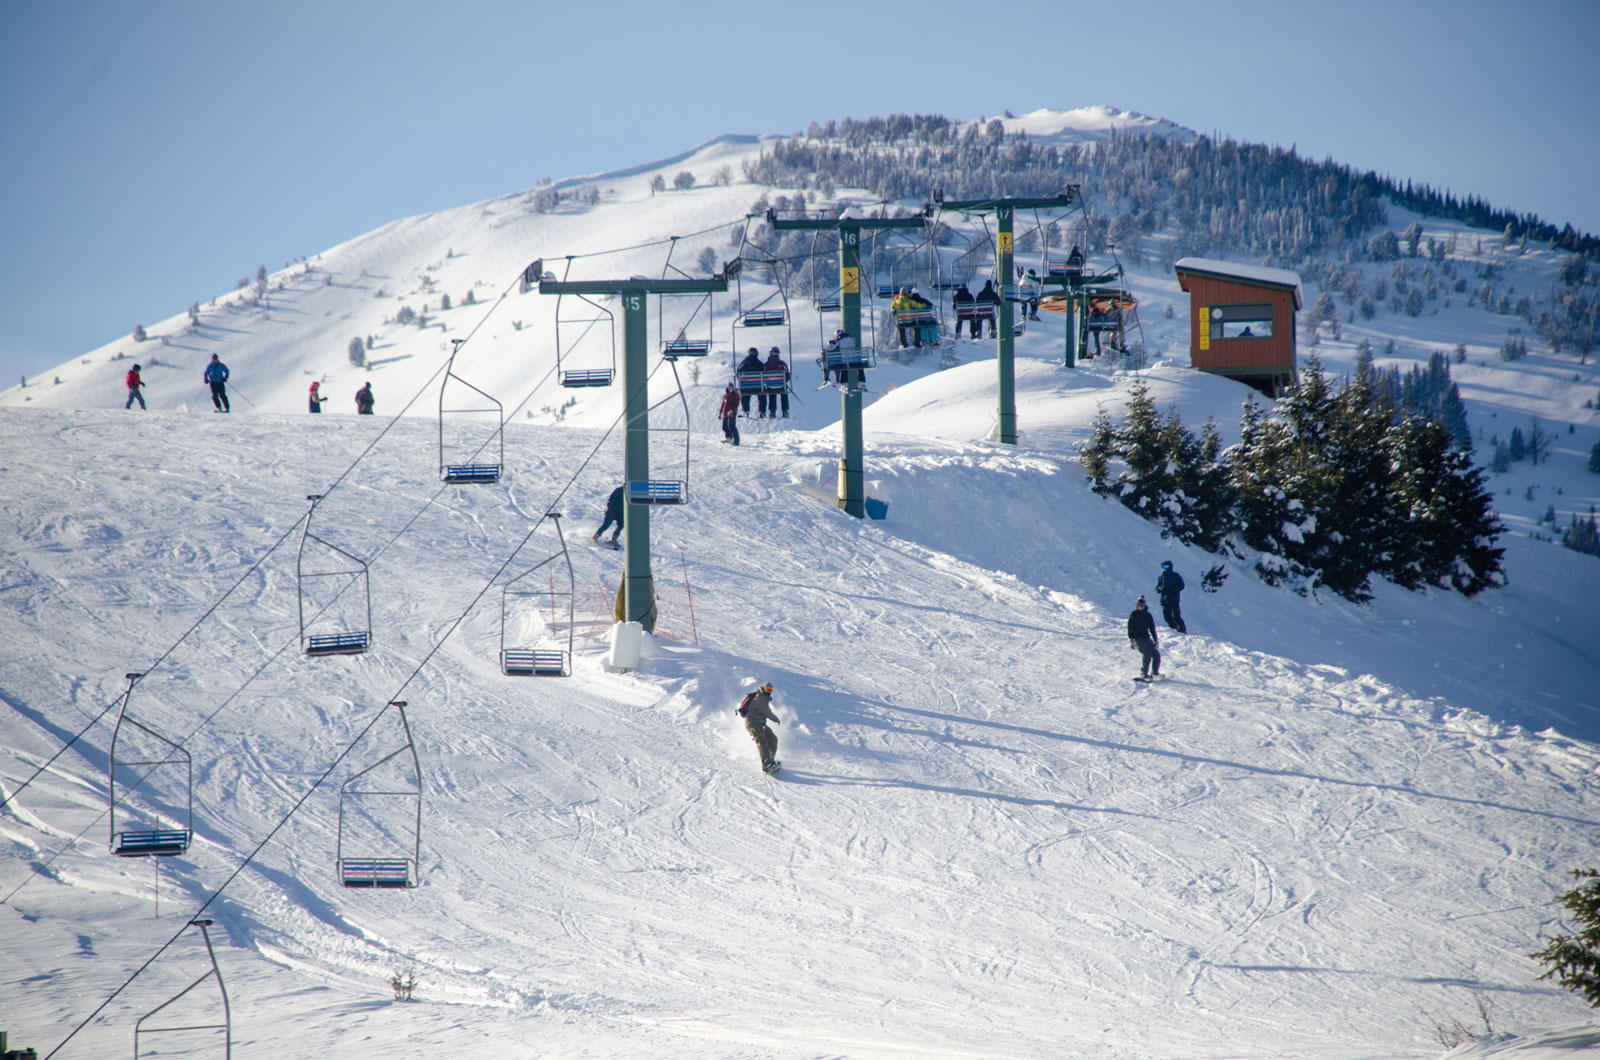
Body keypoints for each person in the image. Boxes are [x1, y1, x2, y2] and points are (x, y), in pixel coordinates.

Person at [735, 682, 781, 773]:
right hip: (754, 724)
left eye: (771, 690)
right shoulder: (760, 698)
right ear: (763, 689)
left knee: (773, 739)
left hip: (760, 724)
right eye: (768, 690)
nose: (769, 692)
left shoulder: (762, 697)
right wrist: (776, 719)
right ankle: (767, 764)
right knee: (762, 742)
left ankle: (770, 760)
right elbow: (766, 711)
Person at [1127, 596, 1161, 681]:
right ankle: (1144, 674)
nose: (1140, 606)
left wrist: (1156, 640)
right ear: (1137, 605)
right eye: (1139, 604)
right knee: (1147, 654)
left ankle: (1154, 673)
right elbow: (1130, 628)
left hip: (1146, 638)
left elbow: (1152, 628)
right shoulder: (1134, 614)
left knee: (1156, 655)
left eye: (1142, 604)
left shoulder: (1147, 615)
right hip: (1138, 639)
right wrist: (1132, 640)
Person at [1156, 560, 1187, 633]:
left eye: (1166, 566)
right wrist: (1160, 589)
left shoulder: (1175, 576)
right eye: (1163, 566)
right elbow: (1157, 588)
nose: (1164, 568)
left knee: (1175, 616)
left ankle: (1182, 630)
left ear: (1170, 566)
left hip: (1173, 600)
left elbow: (1181, 585)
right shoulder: (1161, 577)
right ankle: (1174, 629)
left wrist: (1173, 590)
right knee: (1167, 617)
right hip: (1164, 600)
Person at [736, 347, 764, 415]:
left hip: (746, 388)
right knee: (762, 395)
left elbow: (738, 374)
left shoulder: (743, 363)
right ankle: (762, 411)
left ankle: (746, 411)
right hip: (758, 387)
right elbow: (764, 373)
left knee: (745, 394)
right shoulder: (760, 364)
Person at [764, 346, 790, 418]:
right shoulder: (782, 364)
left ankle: (772, 412)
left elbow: (763, 376)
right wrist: (784, 381)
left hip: (770, 387)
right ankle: (785, 411)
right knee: (784, 393)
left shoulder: (766, 365)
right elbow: (787, 375)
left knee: (772, 393)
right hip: (781, 386)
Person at [718, 381, 741, 445]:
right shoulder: (725, 395)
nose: (731, 389)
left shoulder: (736, 395)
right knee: (724, 427)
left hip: (732, 414)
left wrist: (732, 411)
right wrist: (720, 412)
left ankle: (736, 440)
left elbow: (736, 405)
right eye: (730, 387)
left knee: (732, 426)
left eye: (732, 387)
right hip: (725, 413)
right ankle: (729, 438)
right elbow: (723, 404)